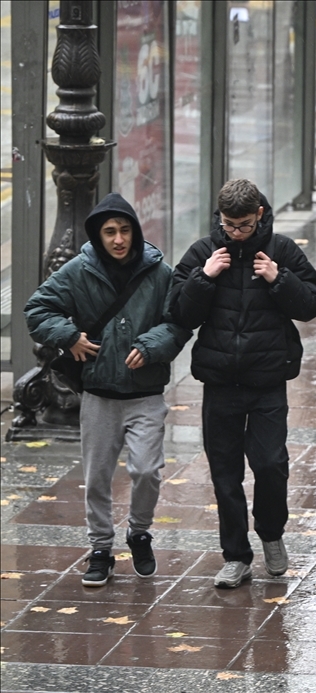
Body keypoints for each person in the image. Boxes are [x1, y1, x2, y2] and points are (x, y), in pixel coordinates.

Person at [25, 193, 191, 587]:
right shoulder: (79, 271)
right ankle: (101, 549)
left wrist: (151, 347)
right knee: (97, 477)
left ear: (135, 231)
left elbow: (178, 322)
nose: (119, 239)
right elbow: (37, 309)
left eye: (125, 230)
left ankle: (139, 533)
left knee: (147, 470)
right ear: (99, 237)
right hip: (99, 395)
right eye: (110, 232)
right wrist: (69, 337)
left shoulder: (159, 272)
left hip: (146, 395)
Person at [171, 179, 316, 588]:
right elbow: (178, 312)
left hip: (267, 381)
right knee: (225, 472)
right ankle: (235, 556)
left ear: (259, 215)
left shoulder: (283, 250)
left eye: (241, 225)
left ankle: (271, 535)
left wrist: (280, 279)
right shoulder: (205, 252)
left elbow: (312, 305)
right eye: (227, 225)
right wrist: (204, 278)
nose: (234, 232)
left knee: (271, 464)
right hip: (220, 382)